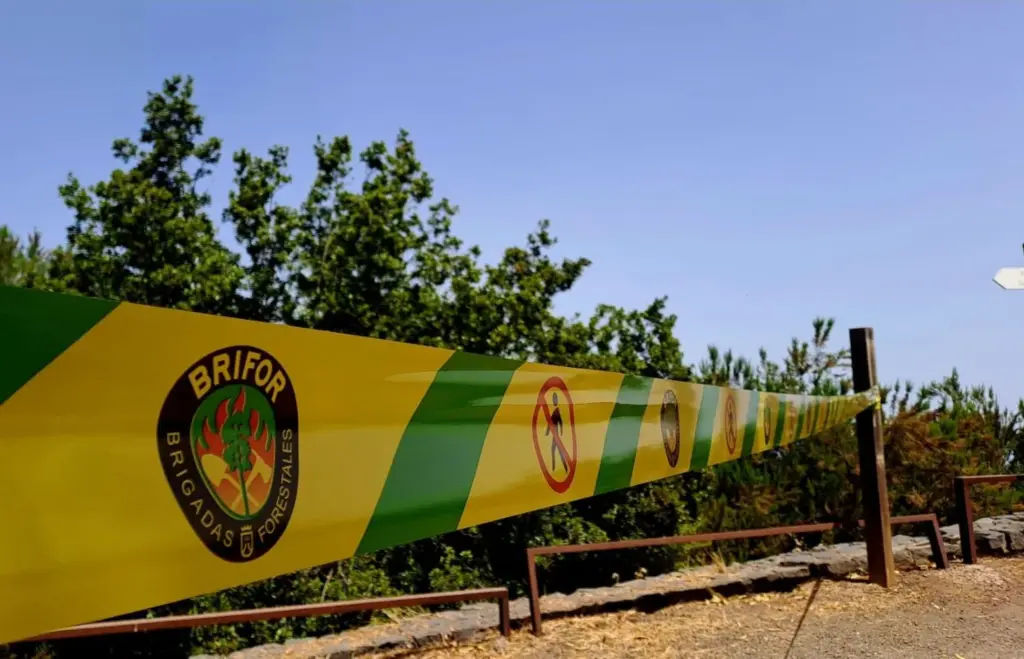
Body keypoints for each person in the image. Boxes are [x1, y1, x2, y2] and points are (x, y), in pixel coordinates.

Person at [545, 392, 567, 471]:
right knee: (555, 450)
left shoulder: (557, 410)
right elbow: (550, 422)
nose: (554, 400)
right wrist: (547, 431)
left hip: (556, 434)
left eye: (555, 398)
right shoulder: (554, 410)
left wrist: (561, 431)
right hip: (554, 433)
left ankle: (561, 467)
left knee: (555, 450)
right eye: (553, 398)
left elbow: (560, 421)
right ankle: (561, 467)